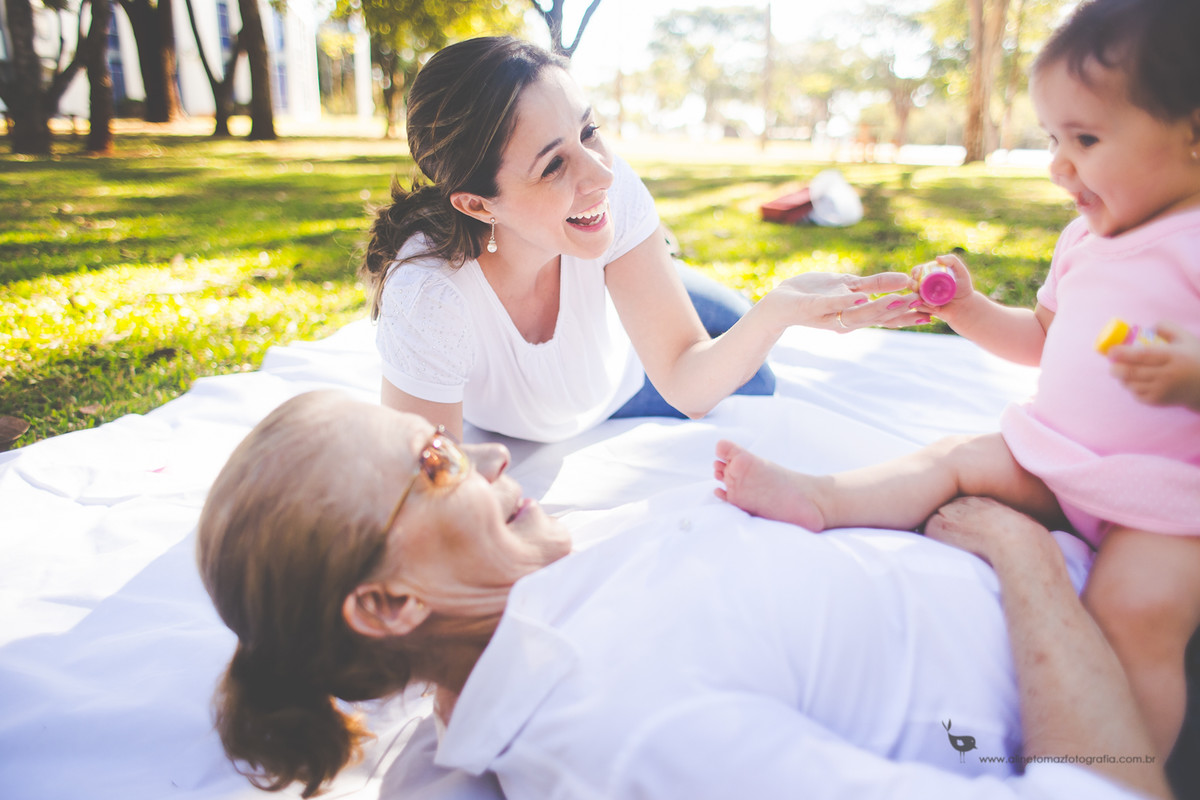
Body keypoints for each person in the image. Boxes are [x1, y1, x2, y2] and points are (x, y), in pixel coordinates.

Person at [197, 390, 1169, 800]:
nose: (490, 452)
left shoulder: (520, 639)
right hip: (1133, 655)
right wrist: (1021, 556)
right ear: (389, 603)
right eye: (437, 461)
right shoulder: (634, 729)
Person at [714, 0, 1200, 762]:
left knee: (1134, 613)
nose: (1058, 165)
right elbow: (1043, 338)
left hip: (1165, 502)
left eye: (1087, 139)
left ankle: (1118, 769)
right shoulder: (1084, 239)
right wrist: (969, 309)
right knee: (952, 458)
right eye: (1051, 138)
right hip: (1058, 457)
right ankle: (824, 497)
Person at [360, 36, 920, 444]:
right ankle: (651, 266)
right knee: (756, 377)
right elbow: (425, 485)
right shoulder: (429, 294)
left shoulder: (609, 188)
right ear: (478, 204)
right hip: (599, 390)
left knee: (755, 373)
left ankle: (652, 264)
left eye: (589, 132)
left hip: (625, 363)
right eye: (554, 165)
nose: (602, 175)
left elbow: (685, 377)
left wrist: (777, 312)